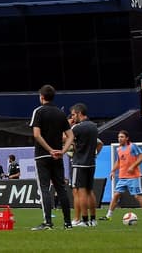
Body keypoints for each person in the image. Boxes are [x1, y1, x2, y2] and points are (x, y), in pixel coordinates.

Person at [28, 84, 73, 230]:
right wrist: (62, 151)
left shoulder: (38, 111)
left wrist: (50, 150)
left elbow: (36, 134)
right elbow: (70, 135)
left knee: (44, 189)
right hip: (58, 157)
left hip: (42, 156)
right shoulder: (60, 113)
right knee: (61, 189)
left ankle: (48, 223)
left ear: (41, 97)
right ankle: (68, 223)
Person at [103, 130, 142, 222]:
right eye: (119, 137)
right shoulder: (119, 149)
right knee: (116, 195)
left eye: (122, 137)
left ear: (127, 138)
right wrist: (113, 171)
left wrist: (133, 166)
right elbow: (118, 161)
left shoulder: (133, 146)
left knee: (137, 196)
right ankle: (108, 215)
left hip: (133, 177)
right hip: (122, 177)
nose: (119, 139)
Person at [67, 103, 102, 227]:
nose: (72, 117)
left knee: (80, 192)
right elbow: (99, 143)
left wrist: (67, 125)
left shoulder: (76, 128)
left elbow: (63, 138)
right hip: (91, 163)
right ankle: (93, 220)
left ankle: (84, 220)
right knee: (89, 191)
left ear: (79, 113)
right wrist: (94, 154)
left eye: (73, 115)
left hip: (79, 163)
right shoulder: (93, 126)